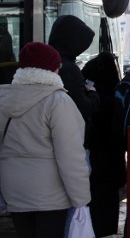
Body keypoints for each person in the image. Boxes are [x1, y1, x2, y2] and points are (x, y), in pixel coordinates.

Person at [0, 42, 90, 238]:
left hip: (13, 190)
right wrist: (81, 200)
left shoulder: (4, 98)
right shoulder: (58, 102)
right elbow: (71, 157)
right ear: (52, 69)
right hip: (50, 195)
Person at [81, 52, 126, 238]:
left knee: (95, 201)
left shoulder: (91, 95)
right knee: (108, 203)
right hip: (112, 157)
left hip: (94, 157)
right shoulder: (116, 94)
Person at [47, 15, 100, 148]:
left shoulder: (46, 62)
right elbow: (82, 107)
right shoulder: (69, 69)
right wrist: (93, 94)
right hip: (67, 138)